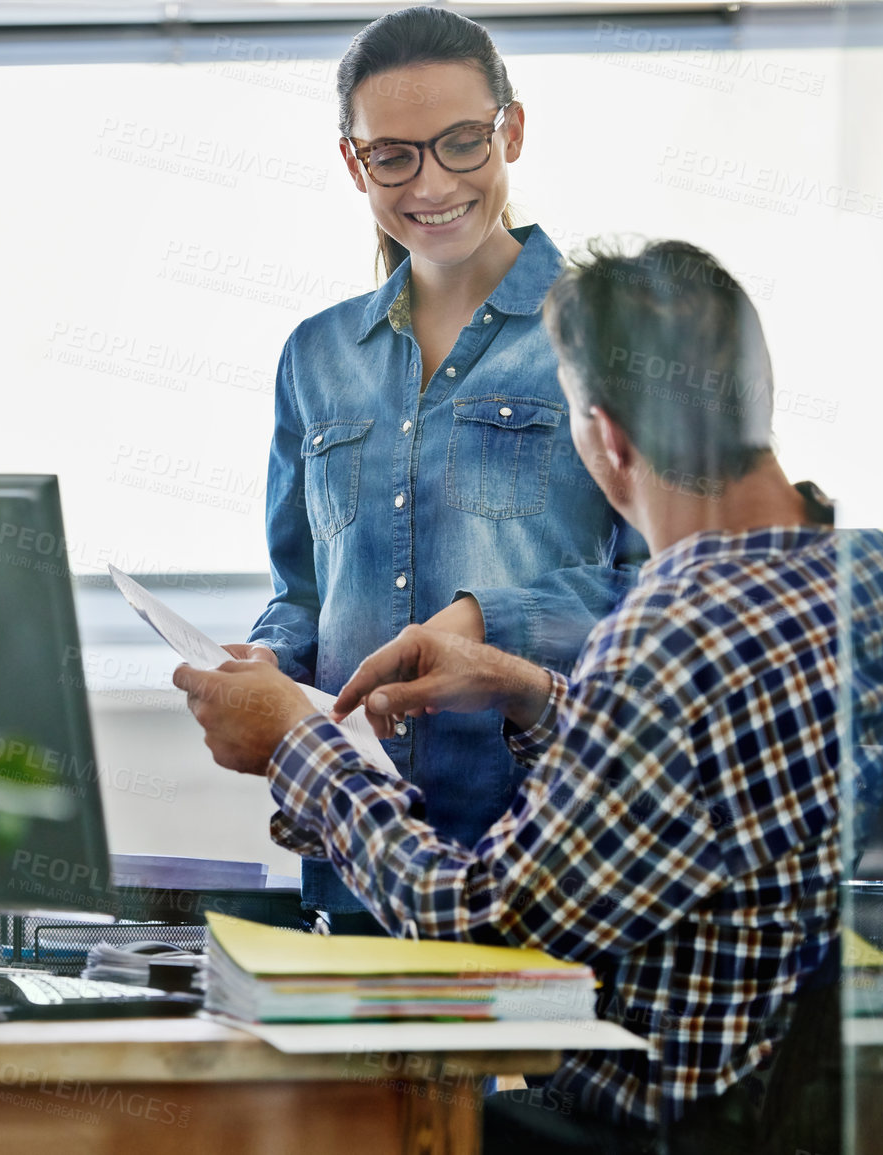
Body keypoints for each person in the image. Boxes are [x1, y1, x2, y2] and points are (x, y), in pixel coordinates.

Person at [175, 240, 883, 1148]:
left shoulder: (669, 627)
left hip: (658, 1128)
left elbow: (475, 929)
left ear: (606, 437)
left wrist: (295, 746)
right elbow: (724, 780)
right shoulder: (875, 583)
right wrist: (538, 693)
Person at [230, 8, 643, 918]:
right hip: (351, 851)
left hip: (541, 852)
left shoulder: (609, 336)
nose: (431, 182)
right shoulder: (315, 354)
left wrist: (484, 620)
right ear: (354, 163)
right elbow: (302, 591)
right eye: (394, 156)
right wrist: (260, 659)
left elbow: (663, 598)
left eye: (462, 144)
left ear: (513, 131)